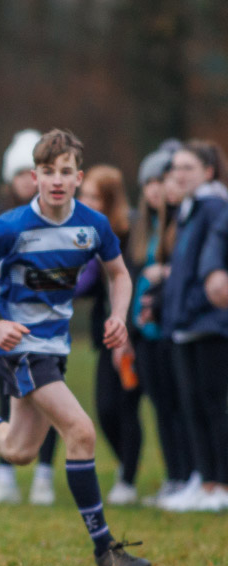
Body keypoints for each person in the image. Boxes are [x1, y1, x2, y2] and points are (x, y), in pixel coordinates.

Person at [0, 129, 151, 566]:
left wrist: (119, 316)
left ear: (78, 177)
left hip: (55, 346)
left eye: (64, 172)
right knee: (80, 432)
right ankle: (104, 549)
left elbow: (119, 275)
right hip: (21, 349)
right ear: (34, 176)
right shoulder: (13, 225)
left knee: (18, 448)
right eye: (46, 172)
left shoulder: (92, 225)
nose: (56, 180)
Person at [0, 129, 61, 504]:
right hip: (4, 321)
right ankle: (5, 474)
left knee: (51, 399)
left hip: (48, 322)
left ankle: (44, 475)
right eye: (20, 173)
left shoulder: (61, 219)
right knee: (6, 395)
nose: (27, 182)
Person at [157, 141, 228, 512]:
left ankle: (221, 484)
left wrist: (190, 307)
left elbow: (209, 269)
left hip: (209, 324)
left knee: (214, 405)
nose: (179, 175)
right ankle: (205, 479)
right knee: (191, 406)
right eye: (174, 169)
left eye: (188, 167)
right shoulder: (189, 209)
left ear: (209, 172)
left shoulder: (215, 208)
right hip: (185, 324)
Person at [129, 144, 192, 506]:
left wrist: (164, 273)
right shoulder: (143, 227)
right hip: (144, 332)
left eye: (161, 181)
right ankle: (174, 476)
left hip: (169, 327)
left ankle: (188, 475)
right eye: (150, 182)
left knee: (180, 404)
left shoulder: (180, 223)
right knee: (161, 406)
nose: (156, 189)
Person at [77, 165, 144, 505]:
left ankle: (129, 478)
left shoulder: (130, 233)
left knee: (126, 406)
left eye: (92, 196)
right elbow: (90, 286)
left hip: (132, 334)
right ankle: (124, 465)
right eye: (84, 195)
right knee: (105, 409)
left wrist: (128, 333)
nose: (85, 201)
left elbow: (129, 283)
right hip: (106, 334)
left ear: (110, 199)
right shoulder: (92, 232)